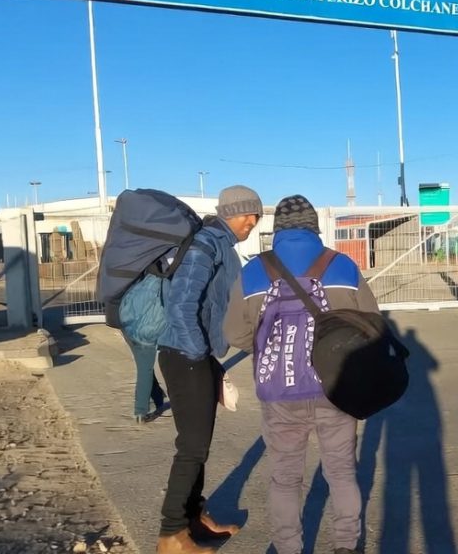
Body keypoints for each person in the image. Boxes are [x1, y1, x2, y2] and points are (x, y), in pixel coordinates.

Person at [227, 195, 379, 554]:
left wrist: (272, 350)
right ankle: (345, 546)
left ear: (276, 230)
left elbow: (233, 333)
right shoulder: (341, 265)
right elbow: (373, 323)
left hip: (279, 393)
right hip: (336, 387)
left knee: (285, 478)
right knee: (341, 473)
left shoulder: (253, 271)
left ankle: (288, 548)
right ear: (315, 227)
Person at [156, 185, 262, 554]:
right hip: (184, 355)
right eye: (248, 214)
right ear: (230, 212)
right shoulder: (205, 245)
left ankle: (193, 518)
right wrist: (199, 354)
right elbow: (181, 305)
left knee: (199, 445)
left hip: (195, 355)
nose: (253, 221)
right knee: (192, 447)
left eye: (257, 215)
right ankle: (171, 535)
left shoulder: (219, 245)